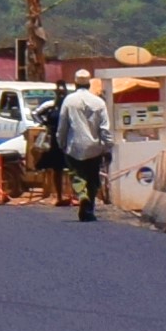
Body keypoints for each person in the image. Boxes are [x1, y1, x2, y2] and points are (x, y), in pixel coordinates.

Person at [52, 70, 115, 220]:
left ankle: (82, 195)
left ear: (75, 83)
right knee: (93, 178)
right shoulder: (99, 102)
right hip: (94, 148)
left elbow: (63, 125)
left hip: (75, 146)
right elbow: (104, 127)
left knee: (76, 175)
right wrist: (107, 146)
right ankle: (89, 208)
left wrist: (61, 142)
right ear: (89, 84)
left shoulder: (69, 101)